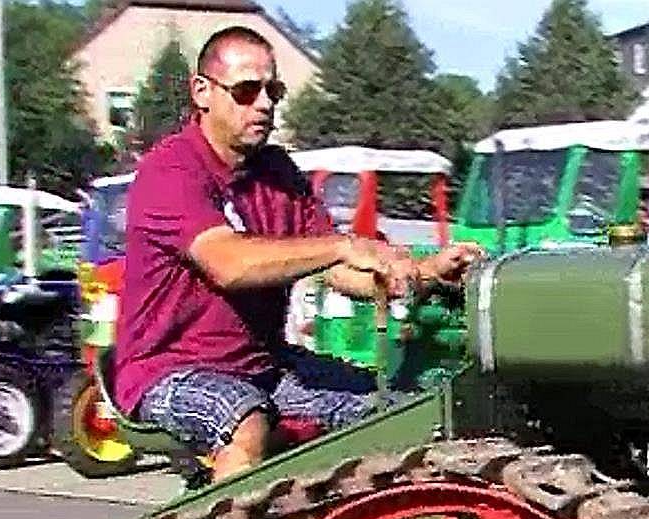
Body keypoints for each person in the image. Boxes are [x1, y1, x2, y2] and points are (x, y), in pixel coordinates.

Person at [112, 26, 483, 483]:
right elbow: (228, 264)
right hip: (167, 372)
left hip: (265, 368)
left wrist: (422, 271)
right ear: (202, 92)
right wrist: (344, 245)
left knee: (392, 412)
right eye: (247, 90)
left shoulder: (279, 172)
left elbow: (341, 274)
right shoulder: (171, 170)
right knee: (243, 420)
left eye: (274, 91)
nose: (265, 104)